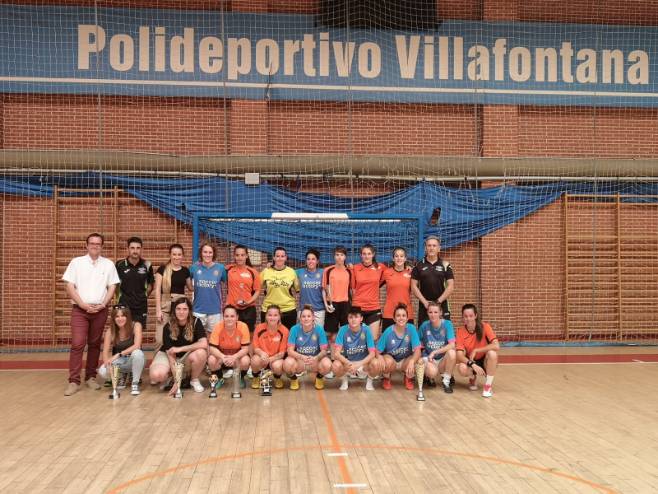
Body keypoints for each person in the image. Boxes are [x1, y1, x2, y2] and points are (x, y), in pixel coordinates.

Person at [62, 233, 120, 396]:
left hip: (100, 311)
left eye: (98, 244)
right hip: (80, 310)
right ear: (86, 245)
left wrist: (103, 304)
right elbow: (69, 286)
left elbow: (112, 287)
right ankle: (74, 381)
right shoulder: (76, 262)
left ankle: (90, 377)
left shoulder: (108, 264)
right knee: (78, 343)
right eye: (92, 243)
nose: (95, 246)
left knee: (94, 344)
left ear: (102, 246)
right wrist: (82, 304)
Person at [149, 297, 208, 395]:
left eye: (185, 309)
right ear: (174, 311)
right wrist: (177, 381)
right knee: (156, 375)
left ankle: (194, 380)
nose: (181, 312)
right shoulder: (167, 326)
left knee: (201, 353)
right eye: (178, 309)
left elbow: (204, 343)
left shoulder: (196, 322)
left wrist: (180, 349)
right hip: (168, 356)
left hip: (186, 357)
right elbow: (171, 356)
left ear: (189, 311)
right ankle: (170, 378)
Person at [372, 303, 422, 391]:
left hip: (405, 360)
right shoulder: (388, 331)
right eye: (398, 316)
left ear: (407, 318)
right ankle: (386, 377)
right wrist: (379, 357)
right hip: (392, 361)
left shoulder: (411, 329)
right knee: (386, 361)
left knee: (418, 360)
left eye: (403, 315)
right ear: (394, 319)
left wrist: (412, 361)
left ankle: (408, 377)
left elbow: (418, 350)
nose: (401, 318)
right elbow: (377, 350)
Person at [97, 305, 145, 395]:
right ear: (113, 318)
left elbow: (137, 345)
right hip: (121, 361)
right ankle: (121, 375)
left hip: (134, 359)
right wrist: (108, 364)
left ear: (128, 316)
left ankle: (135, 382)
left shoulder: (136, 325)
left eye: (123, 316)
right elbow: (105, 352)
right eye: (117, 316)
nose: (120, 319)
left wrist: (118, 354)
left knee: (138, 353)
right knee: (102, 371)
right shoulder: (110, 331)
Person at [455, 303, 500, 398]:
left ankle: (487, 386)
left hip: (484, 360)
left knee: (492, 354)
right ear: (463, 318)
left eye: (471, 316)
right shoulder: (460, 331)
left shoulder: (485, 326)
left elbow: (496, 346)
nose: (468, 319)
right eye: (465, 316)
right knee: (461, 368)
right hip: (471, 361)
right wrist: (473, 365)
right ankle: (472, 377)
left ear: (475, 316)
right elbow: (459, 355)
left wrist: (477, 350)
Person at [283, 305, 332, 390]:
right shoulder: (294, 329)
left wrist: (316, 358)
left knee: (327, 364)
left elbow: (324, 351)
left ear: (313, 318)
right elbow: (290, 351)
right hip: (300, 360)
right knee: (287, 364)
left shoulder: (319, 329)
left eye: (309, 316)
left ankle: (319, 378)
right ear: (300, 318)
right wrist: (302, 357)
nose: (306, 319)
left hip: (314, 360)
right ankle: (294, 379)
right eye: (303, 316)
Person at [154, 243, 193, 346]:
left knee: (178, 336)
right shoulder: (162, 269)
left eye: (179, 254)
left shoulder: (185, 271)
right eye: (174, 254)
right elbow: (157, 289)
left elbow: (191, 288)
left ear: (182, 255)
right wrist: (158, 310)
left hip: (180, 307)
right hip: (165, 306)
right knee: (160, 339)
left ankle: (177, 355)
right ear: (170, 255)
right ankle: (159, 356)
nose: (176, 257)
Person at [411, 235, 455, 325]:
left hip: (441, 304)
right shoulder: (418, 265)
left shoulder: (445, 265)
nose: (431, 248)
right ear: (425, 248)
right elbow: (413, 286)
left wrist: (438, 302)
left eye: (434, 246)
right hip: (425, 306)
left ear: (439, 248)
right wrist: (425, 302)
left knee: (444, 331)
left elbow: (451, 286)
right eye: (429, 245)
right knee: (423, 332)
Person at [331, 306, 377, 391]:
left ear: (361, 318)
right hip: (348, 364)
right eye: (351, 317)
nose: (353, 320)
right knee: (335, 365)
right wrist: (349, 363)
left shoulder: (366, 330)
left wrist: (359, 364)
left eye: (356, 317)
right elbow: (336, 353)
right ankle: (344, 380)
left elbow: (372, 353)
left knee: (376, 363)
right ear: (347, 319)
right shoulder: (342, 330)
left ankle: (369, 381)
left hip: (363, 364)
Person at [207, 305, 251, 388]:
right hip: (222, 357)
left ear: (237, 317)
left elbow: (245, 349)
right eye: (226, 316)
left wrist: (234, 357)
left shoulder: (243, 327)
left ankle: (240, 377)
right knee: (211, 359)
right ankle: (219, 378)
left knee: (246, 360)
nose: (229, 319)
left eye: (232, 316)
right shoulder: (218, 327)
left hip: (237, 357)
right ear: (223, 317)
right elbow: (212, 348)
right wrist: (223, 357)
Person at [115, 236, 154, 328]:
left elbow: (151, 284)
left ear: (141, 249)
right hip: (123, 305)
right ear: (128, 249)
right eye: (132, 248)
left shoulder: (147, 265)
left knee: (138, 332)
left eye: (138, 248)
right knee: (123, 332)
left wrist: (143, 296)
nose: (135, 251)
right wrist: (120, 297)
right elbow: (114, 284)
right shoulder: (119, 265)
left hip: (141, 306)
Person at [418, 301, 456, 393]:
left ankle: (446, 381)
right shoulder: (424, 326)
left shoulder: (447, 324)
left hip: (442, 359)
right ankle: (429, 376)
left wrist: (435, 352)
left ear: (440, 313)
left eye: (436, 312)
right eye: (430, 312)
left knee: (452, 352)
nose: (433, 315)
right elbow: (417, 344)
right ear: (427, 313)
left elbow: (452, 345)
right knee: (432, 372)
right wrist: (420, 359)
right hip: (429, 358)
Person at [351, 243, 386, 340]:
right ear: (361, 255)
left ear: (373, 254)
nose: (366, 256)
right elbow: (353, 289)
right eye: (364, 254)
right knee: (358, 340)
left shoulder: (380, 267)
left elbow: (394, 271)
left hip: (374, 308)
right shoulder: (355, 268)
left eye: (369, 253)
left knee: (373, 339)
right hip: (358, 308)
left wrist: (407, 266)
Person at [191, 242, 226, 334]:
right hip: (198, 309)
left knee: (214, 338)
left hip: (215, 310)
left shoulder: (220, 268)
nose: (207, 255)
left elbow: (228, 283)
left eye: (210, 252)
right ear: (201, 253)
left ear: (213, 254)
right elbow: (186, 280)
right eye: (205, 252)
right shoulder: (194, 268)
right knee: (197, 337)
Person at [260, 246, 299, 329]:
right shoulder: (266, 271)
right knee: (267, 335)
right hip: (269, 310)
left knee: (288, 335)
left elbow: (297, 290)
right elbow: (256, 288)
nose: (280, 258)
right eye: (277, 256)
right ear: (273, 258)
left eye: (282, 256)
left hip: (288, 310)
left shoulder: (291, 272)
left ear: (286, 258)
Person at [251, 305, 289, 390]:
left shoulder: (284, 330)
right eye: (270, 315)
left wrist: (270, 359)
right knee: (255, 360)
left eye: (275, 315)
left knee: (277, 366)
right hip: (262, 357)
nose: (272, 317)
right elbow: (255, 348)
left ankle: (277, 378)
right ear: (266, 316)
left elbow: (282, 353)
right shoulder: (259, 328)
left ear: (279, 317)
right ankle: (256, 377)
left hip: (275, 358)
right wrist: (261, 353)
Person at [225, 244, 261, 333]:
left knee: (248, 335)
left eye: (242, 255)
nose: (239, 257)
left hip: (249, 309)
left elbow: (257, 291)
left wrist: (248, 302)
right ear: (234, 256)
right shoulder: (228, 269)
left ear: (246, 256)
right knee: (233, 334)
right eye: (237, 255)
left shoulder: (253, 272)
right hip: (233, 309)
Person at [381, 246, 414, 330]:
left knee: (408, 338)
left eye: (401, 256)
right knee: (388, 338)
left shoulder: (411, 273)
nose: (399, 258)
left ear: (405, 258)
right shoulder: (387, 272)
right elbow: (375, 285)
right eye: (396, 256)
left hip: (406, 313)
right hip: (389, 313)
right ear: (393, 258)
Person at [322, 245, 352, 336]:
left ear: (345, 257)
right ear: (334, 256)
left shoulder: (349, 271)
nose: (339, 257)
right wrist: (326, 305)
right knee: (330, 334)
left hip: (345, 305)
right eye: (337, 255)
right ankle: (332, 346)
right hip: (332, 304)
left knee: (345, 333)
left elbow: (351, 289)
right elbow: (324, 289)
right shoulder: (328, 270)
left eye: (342, 255)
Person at [296, 248, 325, 327]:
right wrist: (271, 265)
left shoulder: (323, 272)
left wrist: (348, 266)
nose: (310, 261)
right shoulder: (300, 272)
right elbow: (287, 271)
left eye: (313, 259)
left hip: (318, 310)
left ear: (317, 261)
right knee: (301, 333)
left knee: (317, 333)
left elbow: (335, 270)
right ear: (306, 261)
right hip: (303, 310)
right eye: (308, 259)